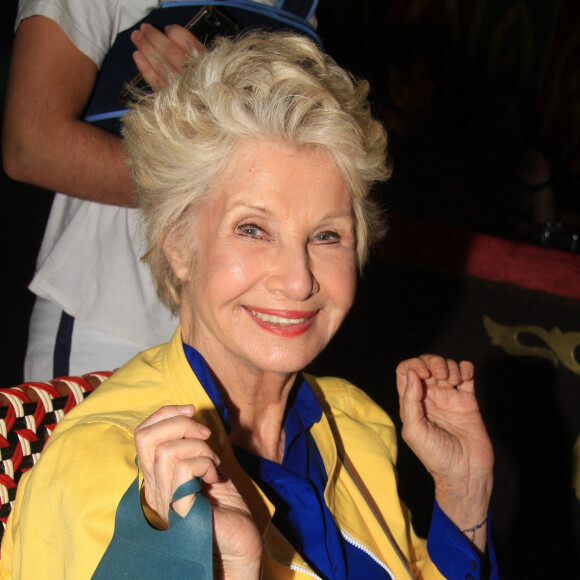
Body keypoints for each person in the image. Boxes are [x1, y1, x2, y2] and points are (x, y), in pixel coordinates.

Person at [0, 32, 498, 579]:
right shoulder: (117, 476)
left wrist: (463, 495)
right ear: (178, 243)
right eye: (254, 229)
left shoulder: (353, 424)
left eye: (327, 236)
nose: (297, 278)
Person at [2, 0, 312, 381]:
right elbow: (33, 146)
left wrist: (226, 109)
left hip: (251, 320)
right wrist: (216, 152)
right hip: (112, 316)